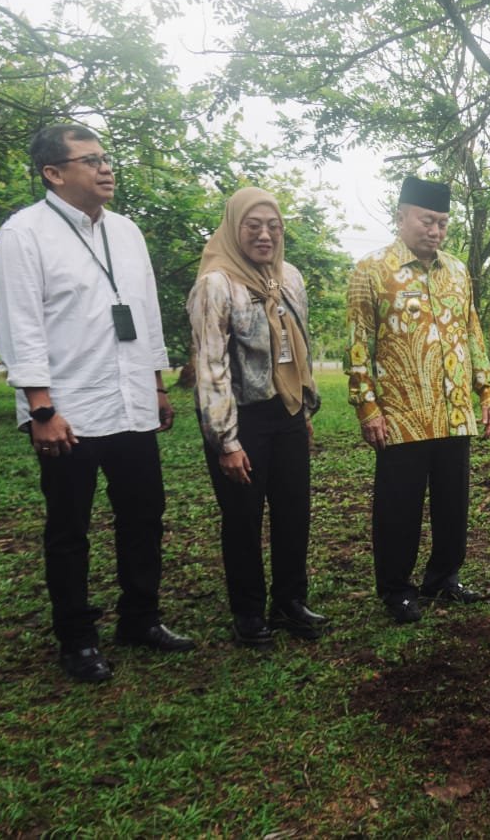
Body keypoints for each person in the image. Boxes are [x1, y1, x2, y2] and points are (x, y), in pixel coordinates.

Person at [0, 124, 194, 683]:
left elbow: (146, 312)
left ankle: (140, 618)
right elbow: (22, 325)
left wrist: (155, 385)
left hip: (130, 403)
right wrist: (41, 409)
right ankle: (77, 640)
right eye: (91, 160)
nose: (106, 168)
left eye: (107, 158)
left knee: (143, 516)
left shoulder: (126, 233)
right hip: (68, 411)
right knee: (69, 528)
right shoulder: (24, 234)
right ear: (54, 173)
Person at [347, 177, 490, 623]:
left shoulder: (457, 270)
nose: (435, 230)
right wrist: (367, 406)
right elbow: (358, 346)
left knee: (454, 504)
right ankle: (397, 589)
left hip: (453, 413)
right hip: (402, 415)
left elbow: (472, 333)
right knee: (399, 509)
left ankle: (442, 579)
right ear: (401, 217)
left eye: (443, 223)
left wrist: (484, 391)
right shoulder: (371, 270)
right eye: (427, 220)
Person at [187, 187, 327, 647]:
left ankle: (289, 601)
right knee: (243, 518)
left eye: (273, 227)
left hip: (285, 412)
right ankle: (248, 611)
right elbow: (210, 366)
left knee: (294, 512)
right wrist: (226, 441)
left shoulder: (290, 278)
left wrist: (304, 408)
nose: (264, 235)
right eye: (253, 226)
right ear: (234, 228)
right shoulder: (216, 284)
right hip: (240, 417)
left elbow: (299, 351)